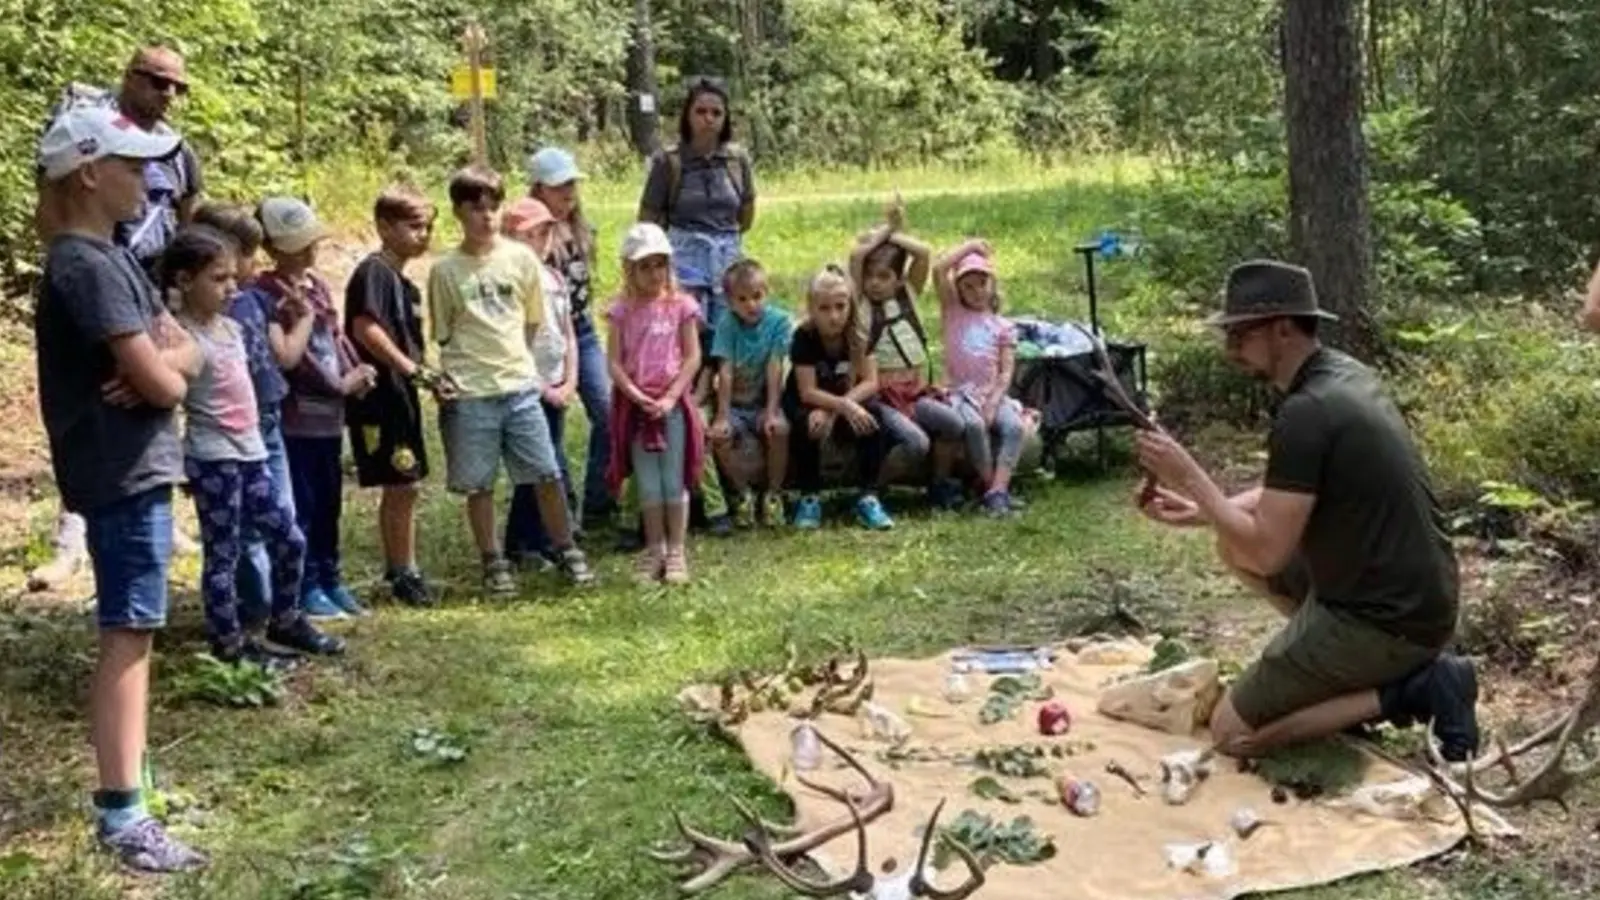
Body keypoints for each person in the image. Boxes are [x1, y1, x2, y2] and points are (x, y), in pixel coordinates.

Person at [1134, 259, 1479, 762]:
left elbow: (1271, 552)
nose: (1230, 348)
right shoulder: (1342, 377)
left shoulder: (1307, 411)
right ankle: (1344, 672)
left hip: (1383, 618)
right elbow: (1288, 498)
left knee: (1231, 734)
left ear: (1283, 329)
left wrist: (1190, 474)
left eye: (1239, 334)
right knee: (1232, 546)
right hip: (1415, 598)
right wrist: (1206, 510)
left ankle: (1413, 690)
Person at [33, 103, 208, 871]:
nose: (149, 179)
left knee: (136, 628)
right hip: (119, 471)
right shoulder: (86, 267)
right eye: (134, 167)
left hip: (133, 467)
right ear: (89, 173)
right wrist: (165, 371)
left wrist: (169, 366)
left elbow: (184, 353)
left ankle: (130, 785)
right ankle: (123, 815)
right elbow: (167, 378)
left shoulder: (112, 260)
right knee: (128, 635)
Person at [29, 45, 206, 594]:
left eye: (178, 86)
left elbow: (190, 224)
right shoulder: (85, 130)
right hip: (103, 292)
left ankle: (165, 522)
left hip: (149, 284)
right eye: (157, 81)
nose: (167, 94)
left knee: (147, 398)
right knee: (101, 398)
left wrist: (176, 334)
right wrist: (161, 373)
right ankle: (72, 538)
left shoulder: (177, 153)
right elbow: (52, 211)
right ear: (130, 77)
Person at [162, 226, 345, 665]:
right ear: (185, 281)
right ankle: (229, 643)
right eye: (217, 279)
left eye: (232, 277)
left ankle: (286, 618)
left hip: (252, 452)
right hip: (214, 459)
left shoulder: (230, 326)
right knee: (223, 554)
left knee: (289, 537)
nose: (230, 288)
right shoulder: (177, 333)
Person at [429, 167, 595, 595]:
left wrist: (517, 364)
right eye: (475, 208)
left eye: (492, 207)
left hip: (519, 385)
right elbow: (445, 331)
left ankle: (566, 548)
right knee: (479, 482)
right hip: (472, 391)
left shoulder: (520, 259)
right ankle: (492, 559)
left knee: (545, 471)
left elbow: (532, 322)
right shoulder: (446, 270)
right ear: (458, 212)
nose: (485, 216)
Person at [256, 197, 377, 619]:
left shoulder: (318, 286)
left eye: (311, 241)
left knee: (329, 502)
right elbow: (294, 359)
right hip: (297, 419)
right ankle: (305, 584)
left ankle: (330, 576)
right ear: (271, 248)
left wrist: (356, 367)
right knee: (303, 505)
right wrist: (338, 384)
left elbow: (335, 336)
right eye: (296, 245)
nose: (308, 251)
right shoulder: (267, 294)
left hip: (330, 421)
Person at [193, 202, 301, 641]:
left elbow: (280, 355)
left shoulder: (253, 302)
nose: (254, 264)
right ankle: (246, 624)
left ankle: (283, 617)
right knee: (238, 539)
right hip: (221, 443)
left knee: (284, 523)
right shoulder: (199, 317)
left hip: (265, 425)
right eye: (248, 254)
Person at [344, 185, 448, 606]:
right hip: (380, 395)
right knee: (401, 480)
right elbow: (364, 328)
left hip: (401, 392)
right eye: (412, 226)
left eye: (427, 226)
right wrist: (412, 370)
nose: (422, 235)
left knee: (406, 483)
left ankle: (400, 564)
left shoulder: (403, 283)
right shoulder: (374, 273)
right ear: (383, 226)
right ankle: (404, 572)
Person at [603, 223, 705, 584]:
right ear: (630, 270)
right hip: (638, 404)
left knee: (673, 477)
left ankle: (677, 549)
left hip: (673, 403)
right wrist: (637, 395)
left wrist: (672, 395)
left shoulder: (681, 307)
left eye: (659, 264)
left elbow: (692, 356)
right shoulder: (621, 311)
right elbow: (614, 362)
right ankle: (655, 547)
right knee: (648, 480)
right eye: (644, 266)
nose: (653, 273)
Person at [849, 208, 965, 508]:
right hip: (883, 397)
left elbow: (924, 253)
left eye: (884, 276)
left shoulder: (909, 294)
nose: (874, 283)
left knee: (953, 424)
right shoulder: (860, 304)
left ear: (899, 279)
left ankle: (938, 485)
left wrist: (894, 232)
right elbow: (857, 257)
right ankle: (871, 490)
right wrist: (882, 234)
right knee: (916, 442)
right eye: (870, 277)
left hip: (914, 392)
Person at [525, 147, 614, 528]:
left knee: (608, 412)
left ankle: (599, 502)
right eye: (559, 187)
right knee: (552, 424)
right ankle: (563, 512)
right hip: (546, 338)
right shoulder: (532, 235)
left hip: (583, 331)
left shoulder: (582, 229)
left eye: (571, 185)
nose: (568, 194)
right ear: (539, 189)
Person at [501, 197, 581, 568]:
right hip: (528, 385)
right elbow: (511, 340)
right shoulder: (510, 282)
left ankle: (545, 537)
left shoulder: (554, 277)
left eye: (547, 230)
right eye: (534, 233)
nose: (544, 239)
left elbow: (569, 333)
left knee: (550, 460)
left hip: (556, 381)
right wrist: (542, 387)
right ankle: (524, 542)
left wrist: (569, 380)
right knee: (538, 466)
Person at [785, 265, 896, 531]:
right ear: (812, 308)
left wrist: (842, 408)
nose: (834, 316)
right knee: (809, 424)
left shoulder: (860, 333)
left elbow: (871, 381)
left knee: (874, 418)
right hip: (810, 400)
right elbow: (807, 391)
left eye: (840, 306)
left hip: (847, 397)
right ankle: (809, 496)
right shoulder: (804, 336)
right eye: (824, 309)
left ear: (851, 305)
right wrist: (842, 407)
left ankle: (868, 495)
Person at [932, 240, 1029, 516]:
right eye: (968, 286)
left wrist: (994, 401)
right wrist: (970, 246)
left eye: (981, 284)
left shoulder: (1003, 326)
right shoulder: (954, 313)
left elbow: (1006, 370)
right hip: (961, 392)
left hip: (992, 393)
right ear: (959, 289)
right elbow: (939, 269)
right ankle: (989, 488)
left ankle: (999, 489)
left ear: (992, 285)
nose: (976, 292)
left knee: (1014, 427)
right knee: (973, 426)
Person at [709, 258, 792, 527]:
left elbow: (775, 367)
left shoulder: (779, 322)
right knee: (720, 437)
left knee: (778, 429)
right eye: (742, 299)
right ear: (731, 302)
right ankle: (742, 493)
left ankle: (774, 494)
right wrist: (722, 416)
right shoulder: (727, 324)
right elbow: (725, 371)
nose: (751, 305)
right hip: (734, 404)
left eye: (757, 296)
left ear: (766, 292)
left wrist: (770, 411)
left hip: (760, 402)